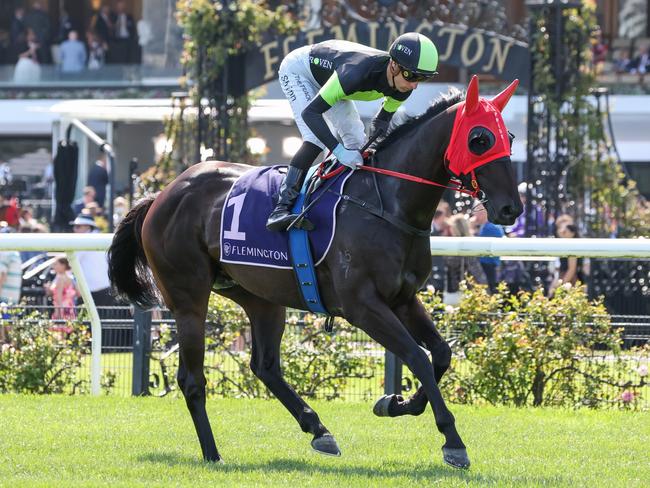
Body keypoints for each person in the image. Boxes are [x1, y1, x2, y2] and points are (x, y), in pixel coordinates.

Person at [266, 32, 439, 231]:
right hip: (301, 71)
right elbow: (310, 113)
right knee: (315, 139)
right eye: (412, 76)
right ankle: (281, 209)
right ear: (394, 65)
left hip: (333, 78)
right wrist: (339, 152)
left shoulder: (404, 87)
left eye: (422, 78)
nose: (414, 85)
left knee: (357, 143)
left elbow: (380, 122)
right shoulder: (356, 73)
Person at [70, 214, 116, 307]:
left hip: (90, 291)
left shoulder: (82, 241)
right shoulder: (102, 238)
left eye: (78, 226)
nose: (74, 229)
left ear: (87, 226)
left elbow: (70, 262)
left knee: (85, 321)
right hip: (106, 288)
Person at [444, 214, 487, 305]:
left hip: (457, 292)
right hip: (473, 289)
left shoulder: (452, 246)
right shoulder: (473, 243)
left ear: (455, 228)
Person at [472, 203, 505, 293]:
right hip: (491, 266)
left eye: (477, 212)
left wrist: (470, 229)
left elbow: (476, 247)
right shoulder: (489, 225)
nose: (474, 215)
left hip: (489, 267)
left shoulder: (490, 227)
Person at [549, 223, 585, 297]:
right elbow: (558, 233)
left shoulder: (572, 247)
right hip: (564, 277)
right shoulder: (567, 245)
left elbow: (572, 269)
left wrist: (562, 284)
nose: (562, 233)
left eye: (565, 232)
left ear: (572, 233)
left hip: (570, 280)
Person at [46, 256, 78, 321]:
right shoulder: (70, 278)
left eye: (56, 264)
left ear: (63, 265)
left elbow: (59, 296)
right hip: (69, 308)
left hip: (61, 310)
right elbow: (78, 293)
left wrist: (59, 312)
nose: (53, 266)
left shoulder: (60, 278)